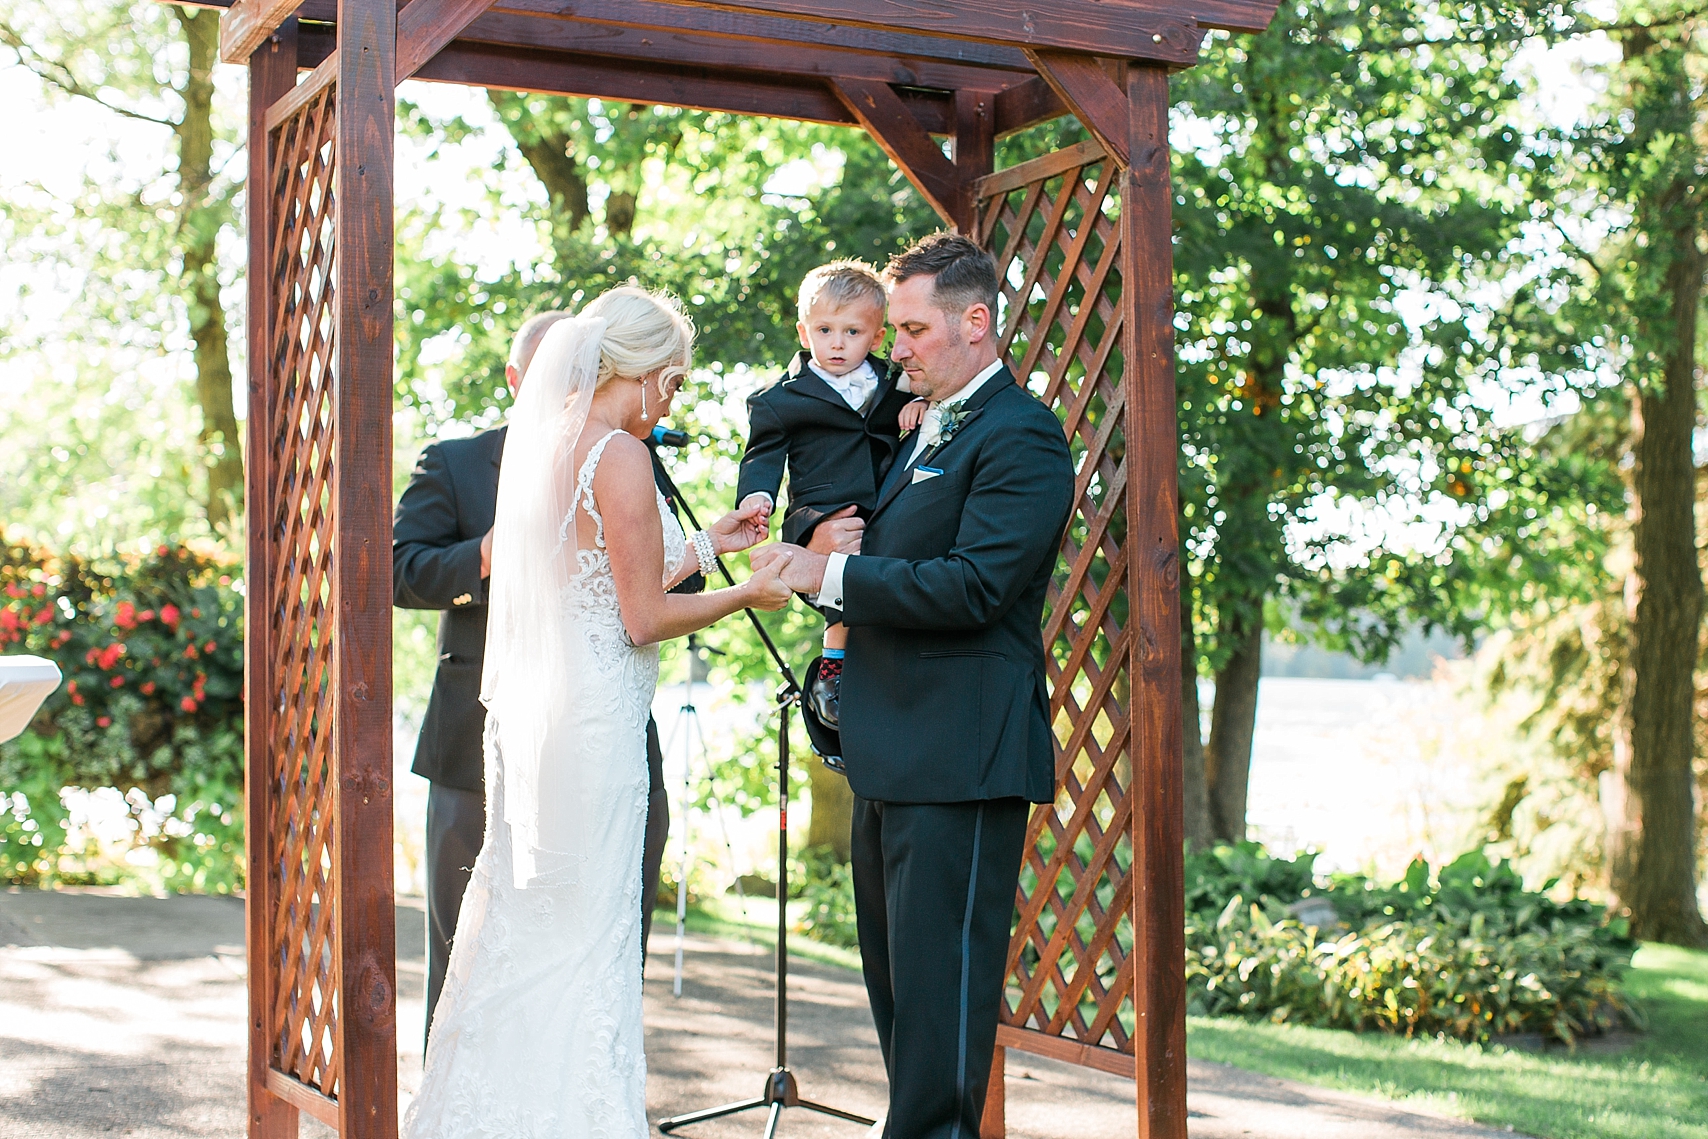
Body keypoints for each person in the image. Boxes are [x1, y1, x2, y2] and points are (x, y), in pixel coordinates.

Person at [402, 285, 789, 1138]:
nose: (674, 400)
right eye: (676, 382)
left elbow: (592, 577)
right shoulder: (619, 455)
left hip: (546, 725)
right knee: (589, 936)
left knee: (530, 925)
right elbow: (641, 615)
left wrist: (708, 545)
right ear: (647, 373)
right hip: (596, 732)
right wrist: (749, 591)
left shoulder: (544, 449)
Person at [752, 233, 1075, 1138]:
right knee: (900, 1004)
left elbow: (976, 585)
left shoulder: (1025, 436)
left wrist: (832, 581)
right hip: (889, 754)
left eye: (912, 329)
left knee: (943, 1009)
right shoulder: (918, 421)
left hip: (962, 760)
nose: (896, 348)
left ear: (977, 324)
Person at [392, 312, 711, 1043]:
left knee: (604, 936)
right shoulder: (456, 462)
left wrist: (703, 548)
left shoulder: (628, 452)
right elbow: (400, 574)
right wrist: (489, 554)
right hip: (477, 740)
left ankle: (583, 1085)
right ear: (517, 379)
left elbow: (632, 583)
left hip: (603, 734)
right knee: (471, 946)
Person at [734, 261, 925, 745]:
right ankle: (831, 669)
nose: (837, 343)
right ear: (804, 331)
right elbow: (762, 457)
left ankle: (871, 677)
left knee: (882, 584)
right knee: (842, 583)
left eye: (852, 331)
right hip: (821, 511)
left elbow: (929, 404)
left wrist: (923, 407)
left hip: (881, 504)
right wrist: (757, 498)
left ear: (877, 337)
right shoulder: (780, 400)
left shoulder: (894, 380)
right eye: (824, 330)